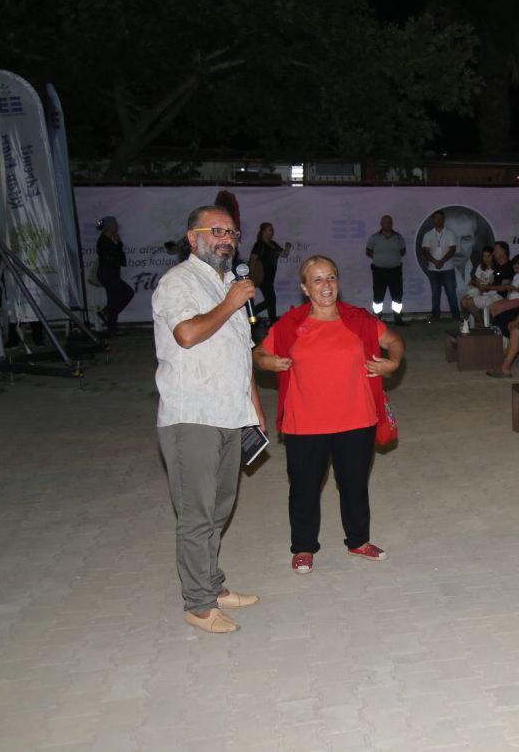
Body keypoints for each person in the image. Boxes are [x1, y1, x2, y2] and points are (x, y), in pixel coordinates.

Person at [152, 205, 264, 634]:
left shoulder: (228, 282)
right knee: (197, 514)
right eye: (216, 231)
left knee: (219, 509)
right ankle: (199, 605)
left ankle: (212, 585)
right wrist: (231, 303)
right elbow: (187, 334)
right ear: (192, 237)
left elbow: (241, 353)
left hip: (230, 412)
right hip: (192, 414)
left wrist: (254, 409)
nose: (226, 240)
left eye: (232, 233)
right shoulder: (178, 281)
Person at [255, 255, 404, 575]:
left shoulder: (357, 320)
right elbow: (260, 353)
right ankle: (303, 547)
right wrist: (269, 363)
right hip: (305, 423)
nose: (326, 285)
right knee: (304, 488)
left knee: (354, 484)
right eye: (318, 280)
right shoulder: (291, 325)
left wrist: (392, 362)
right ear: (305, 288)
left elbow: (393, 341)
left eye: (331, 278)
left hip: (357, 419)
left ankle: (359, 541)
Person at [95, 216, 135, 335]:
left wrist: (118, 243)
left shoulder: (107, 240)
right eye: (115, 224)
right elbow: (114, 257)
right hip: (107, 273)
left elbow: (118, 258)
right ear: (110, 226)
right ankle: (106, 312)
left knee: (114, 299)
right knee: (127, 293)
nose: (117, 226)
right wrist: (118, 244)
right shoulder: (104, 241)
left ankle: (112, 329)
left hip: (110, 273)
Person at [366, 215, 407, 325]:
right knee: (378, 297)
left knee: (397, 296)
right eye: (384, 222)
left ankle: (398, 319)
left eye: (389, 222)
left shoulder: (398, 237)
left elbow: (403, 251)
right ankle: (377, 320)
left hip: (395, 272)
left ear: (392, 224)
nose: (387, 224)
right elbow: (368, 251)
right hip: (379, 272)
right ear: (381, 224)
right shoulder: (374, 237)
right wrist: (379, 258)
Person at [249, 222, 292, 323]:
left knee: (270, 300)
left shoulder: (272, 244)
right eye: (270, 230)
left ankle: (256, 315)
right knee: (271, 300)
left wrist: (287, 247)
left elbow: (284, 254)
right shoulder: (259, 244)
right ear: (263, 231)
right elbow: (253, 260)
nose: (272, 232)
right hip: (262, 277)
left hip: (270, 277)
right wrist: (251, 276)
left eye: (272, 230)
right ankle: (259, 316)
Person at [419, 210, 457, 322]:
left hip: (448, 268)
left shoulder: (450, 233)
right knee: (435, 294)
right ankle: (435, 316)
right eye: (436, 218)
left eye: (440, 218)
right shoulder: (428, 235)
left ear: (443, 220)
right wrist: (435, 262)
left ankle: (456, 316)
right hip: (433, 269)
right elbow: (425, 251)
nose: (438, 220)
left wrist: (442, 261)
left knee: (451, 293)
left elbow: (452, 250)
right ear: (433, 220)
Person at [459, 246, 498, 315]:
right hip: (479, 290)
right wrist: (476, 284)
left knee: (468, 301)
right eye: (484, 256)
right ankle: (467, 319)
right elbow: (476, 281)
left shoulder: (496, 269)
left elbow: (490, 285)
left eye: (488, 256)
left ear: (493, 256)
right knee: (463, 301)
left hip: (491, 293)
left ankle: (478, 320)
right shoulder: (480, 266)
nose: (486, 259)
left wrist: (477, 285)